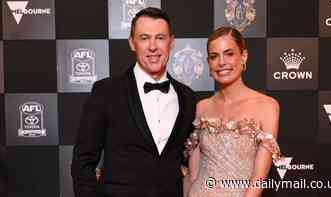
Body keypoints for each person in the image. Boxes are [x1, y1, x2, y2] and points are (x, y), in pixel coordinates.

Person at [71, 7, 196, 197]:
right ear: (132, 43)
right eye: (144, 38)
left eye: (160, 38)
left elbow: (192, 160)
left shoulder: (187, 97)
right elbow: (83, 162)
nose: (153, 46)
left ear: (172, 42)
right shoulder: (106, 92)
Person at [183, 27, 283, 197]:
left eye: (229, 54)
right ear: (208, 63)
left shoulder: (267, 106)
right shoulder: (202, 107)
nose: (221, 62)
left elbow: (258, 180)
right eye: (214, 56)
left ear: (243, 56)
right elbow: (194, 173)